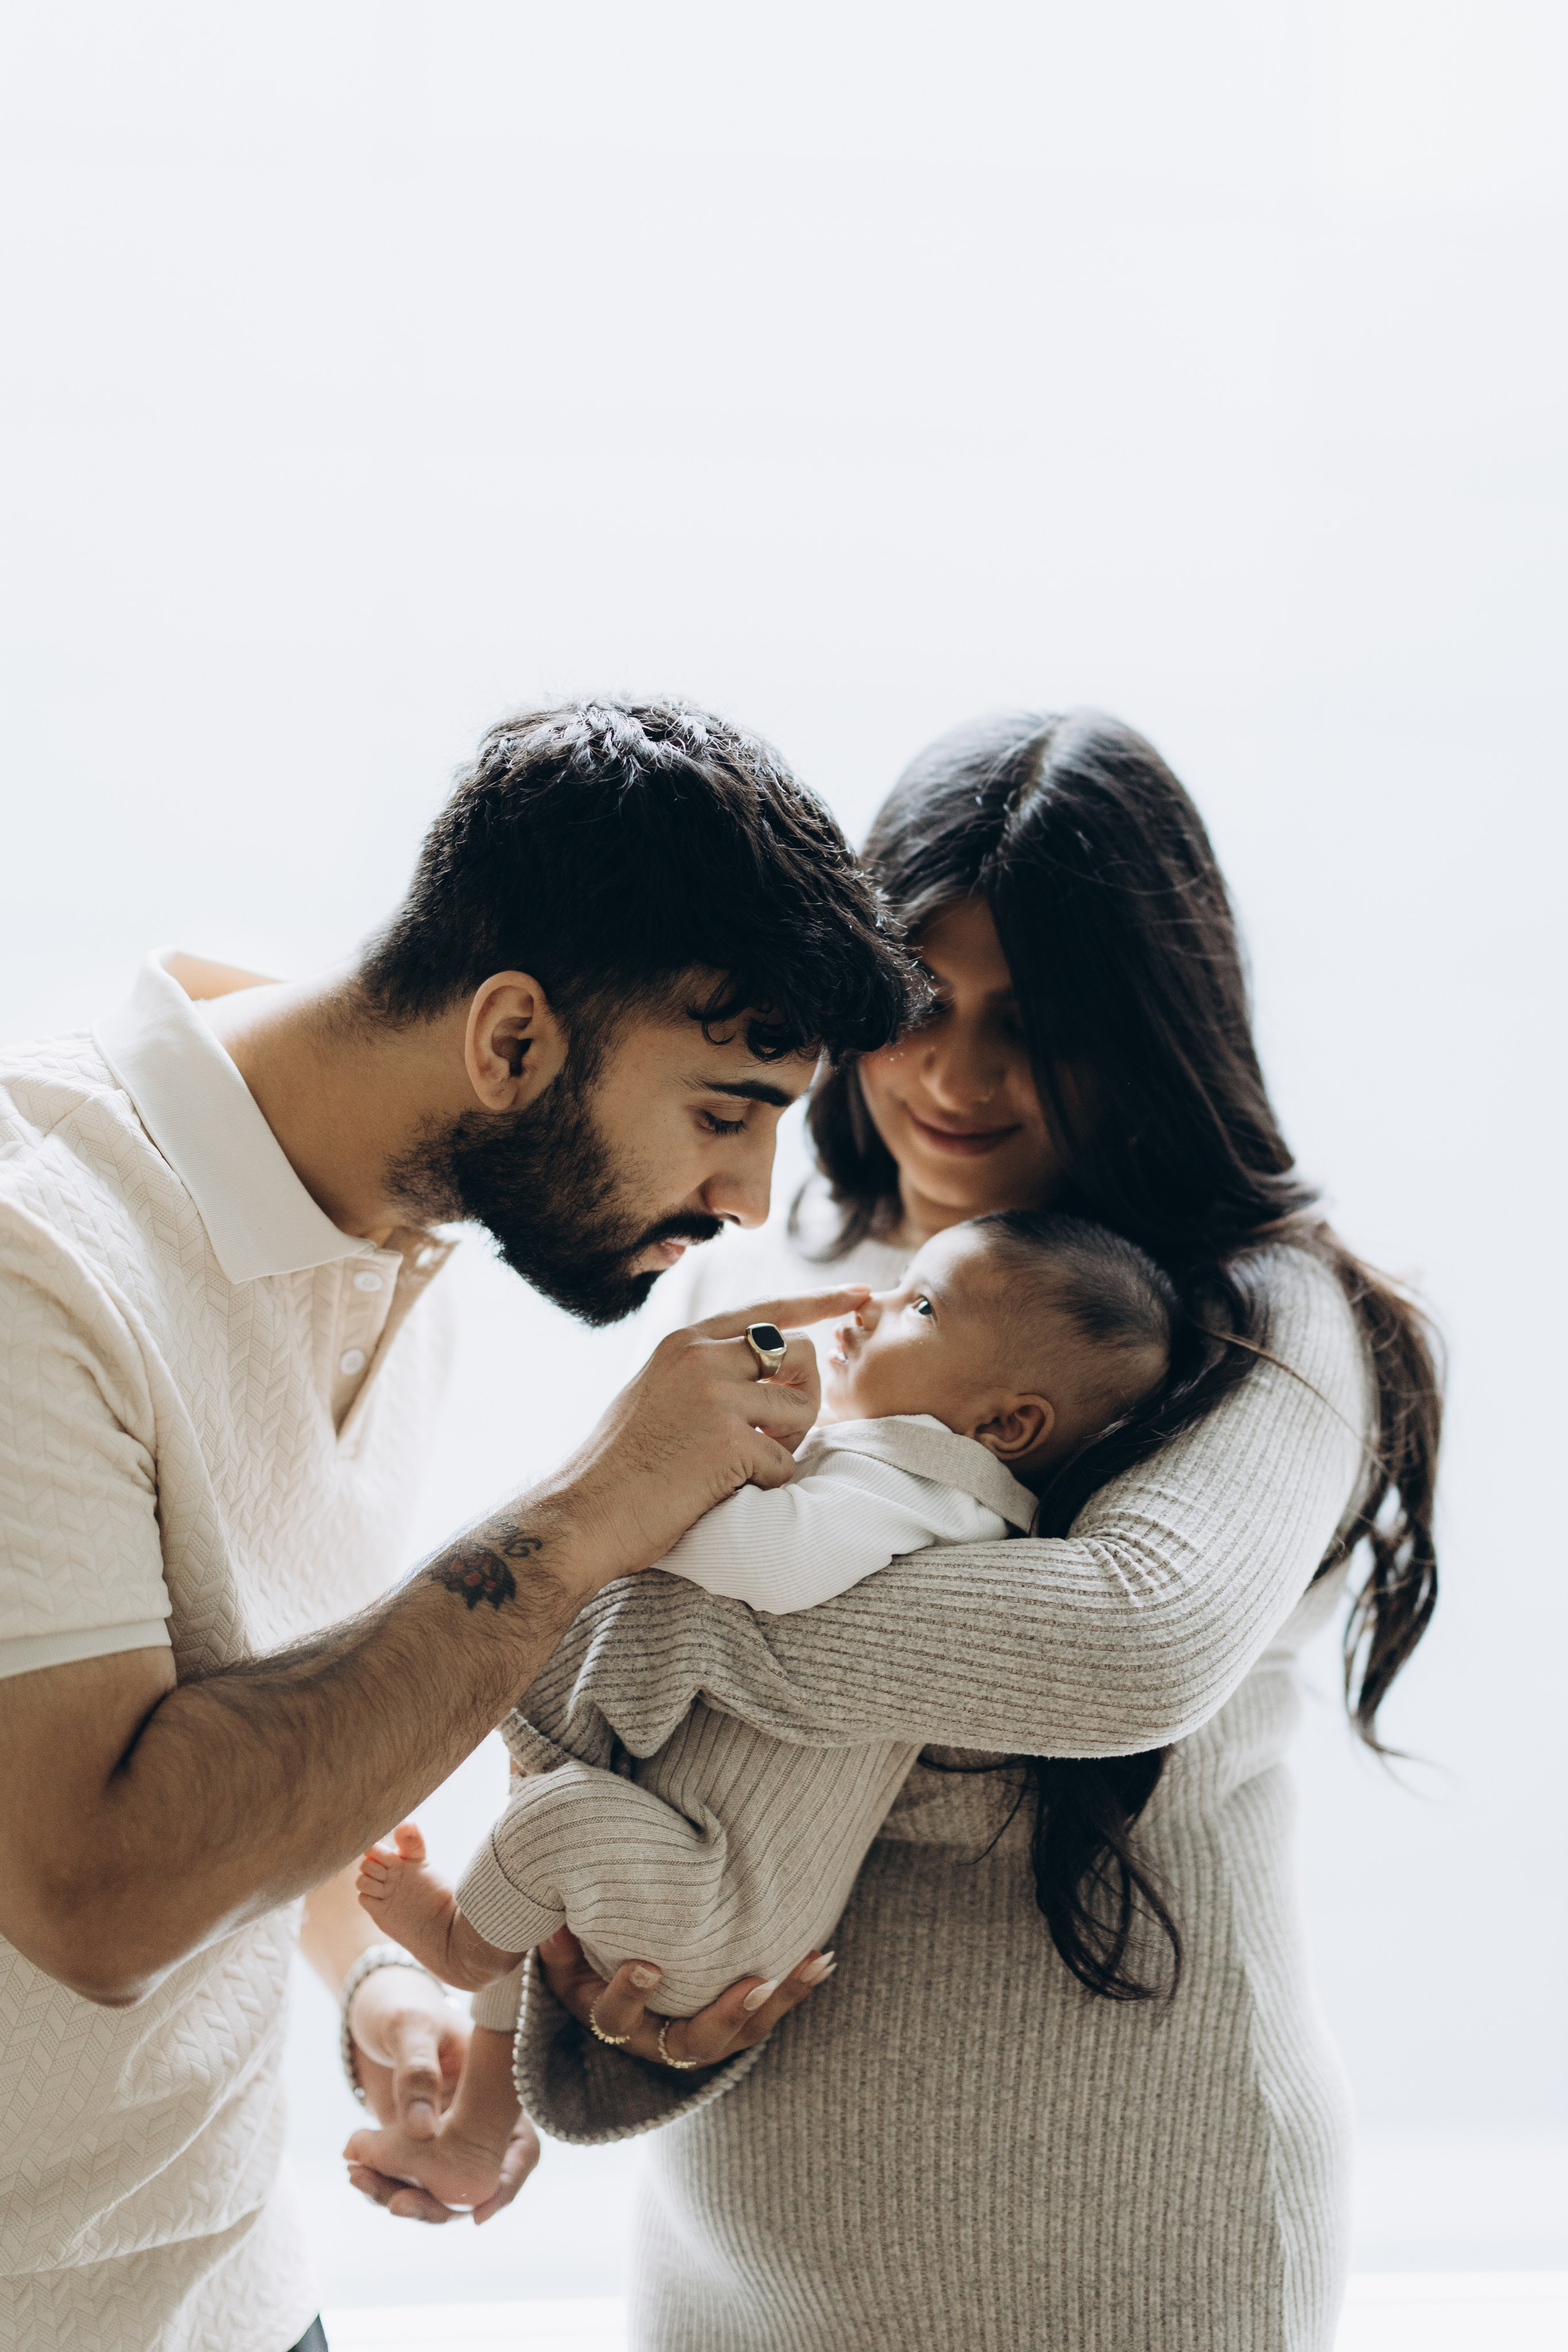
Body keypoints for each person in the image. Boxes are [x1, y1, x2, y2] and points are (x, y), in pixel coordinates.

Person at [366, 709, 1442, 2352]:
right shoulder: (751, 1281)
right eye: (927, 1006)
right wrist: (568, 2050)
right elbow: (600, 1749)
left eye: (1039, 1024)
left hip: (1134, 2273)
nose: (956, 1077)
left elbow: (1123, 1647)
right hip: (727, 2280)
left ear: (1151, 1029)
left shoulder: (1249, 1322)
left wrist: (681, 1614)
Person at [0, 699, 919, 2352]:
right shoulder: (38, 1253)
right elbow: (98, 1895)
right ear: (508, 1042)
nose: (744, 1199)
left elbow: (256, 1723)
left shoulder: (400, 1234)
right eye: (724, 1113)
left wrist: (383, 1979)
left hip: (237, 2287)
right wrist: (585, 1516)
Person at [341, 1209, 1177, 2211]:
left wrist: (667, 1476)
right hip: (704, 1876)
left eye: (919, 1305)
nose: (871, 1304)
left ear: (1005, 1426)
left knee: (553, 1825)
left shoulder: (928, 1484)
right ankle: (475, 2137)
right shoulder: (905, 1476)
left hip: (718, 1895)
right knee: (547, 1832)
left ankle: (459, 1946)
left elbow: (768, 1560)